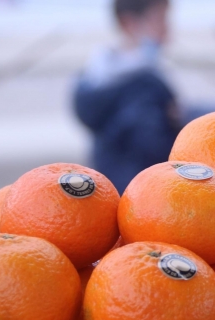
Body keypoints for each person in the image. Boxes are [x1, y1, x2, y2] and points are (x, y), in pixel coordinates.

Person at [73, 0, 180, 193]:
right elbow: (153, 145)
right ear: (129, 22)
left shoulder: (95, 75)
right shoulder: (144, 85)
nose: (167, 29)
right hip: (147, 191)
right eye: (161, 19)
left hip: (109, 185)